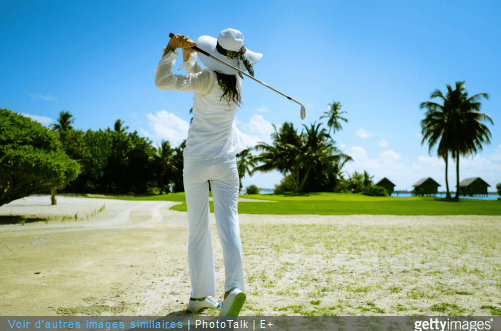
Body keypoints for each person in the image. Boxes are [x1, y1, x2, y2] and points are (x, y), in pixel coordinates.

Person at [154, 29, 262, 316]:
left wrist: (171, 50)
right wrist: (190, 58)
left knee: (198, 229)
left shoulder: (205, 80)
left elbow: (163, 81)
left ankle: (199, 295)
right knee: (230, 225)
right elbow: (207, 77)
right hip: (226, 163)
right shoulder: (236, 81)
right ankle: (232, 289)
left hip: (197, 163)